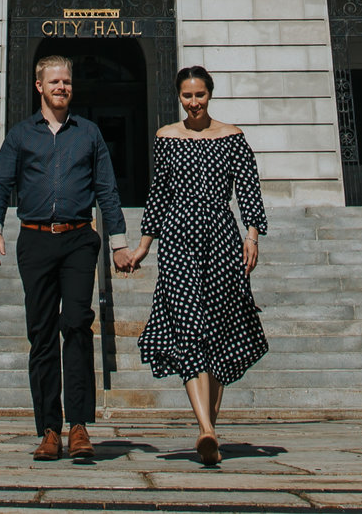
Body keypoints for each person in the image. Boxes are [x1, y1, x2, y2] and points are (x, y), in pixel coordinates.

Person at [115, 65, 268, 469]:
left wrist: (251, 237)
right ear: (178, 97)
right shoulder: (167, 137)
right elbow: (158, 194)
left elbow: (249, 189)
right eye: (187, 96)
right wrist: (143, 246)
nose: (194, 102)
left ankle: (209, 431)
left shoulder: (232, 137)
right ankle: (205, 427)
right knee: (187, 327)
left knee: (217, 329)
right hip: (179, 239)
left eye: (199, 95)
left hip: (220, 237)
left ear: (210, 94)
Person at [0, 52, 131, 463]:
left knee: (78, 326)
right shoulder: (20, 136)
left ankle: (80, 426)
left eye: (66, 82)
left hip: (78, 239)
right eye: (54, 82)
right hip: (35, 242)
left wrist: (118, 242)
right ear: (39, 87)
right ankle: (49, 429)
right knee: (42, 334)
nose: (62, 88)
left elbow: (107, 189)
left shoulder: (89, 134)